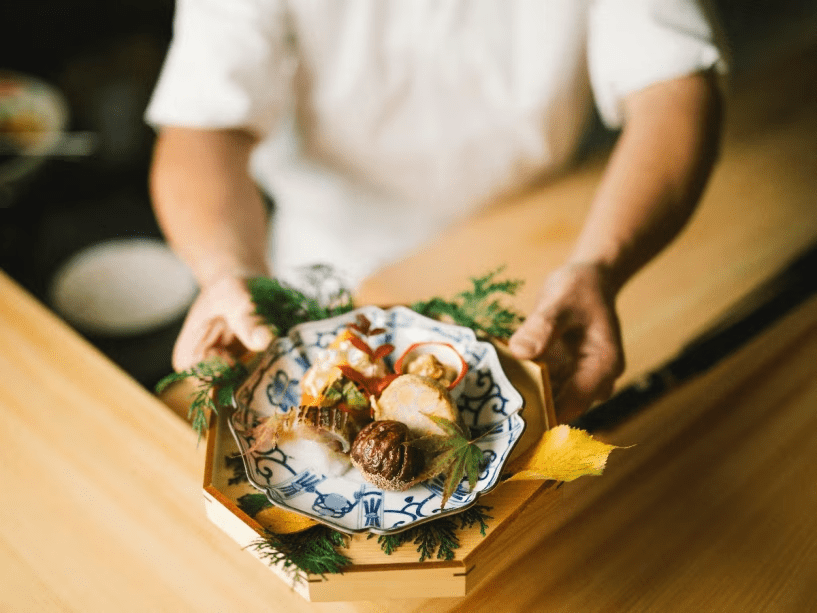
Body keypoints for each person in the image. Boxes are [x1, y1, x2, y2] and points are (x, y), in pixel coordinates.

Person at [146, 0, 727, 422]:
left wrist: (601, 264)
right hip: (328, 265)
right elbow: (200, 128)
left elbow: (674, 87)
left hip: (544, 252)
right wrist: (226, 271)